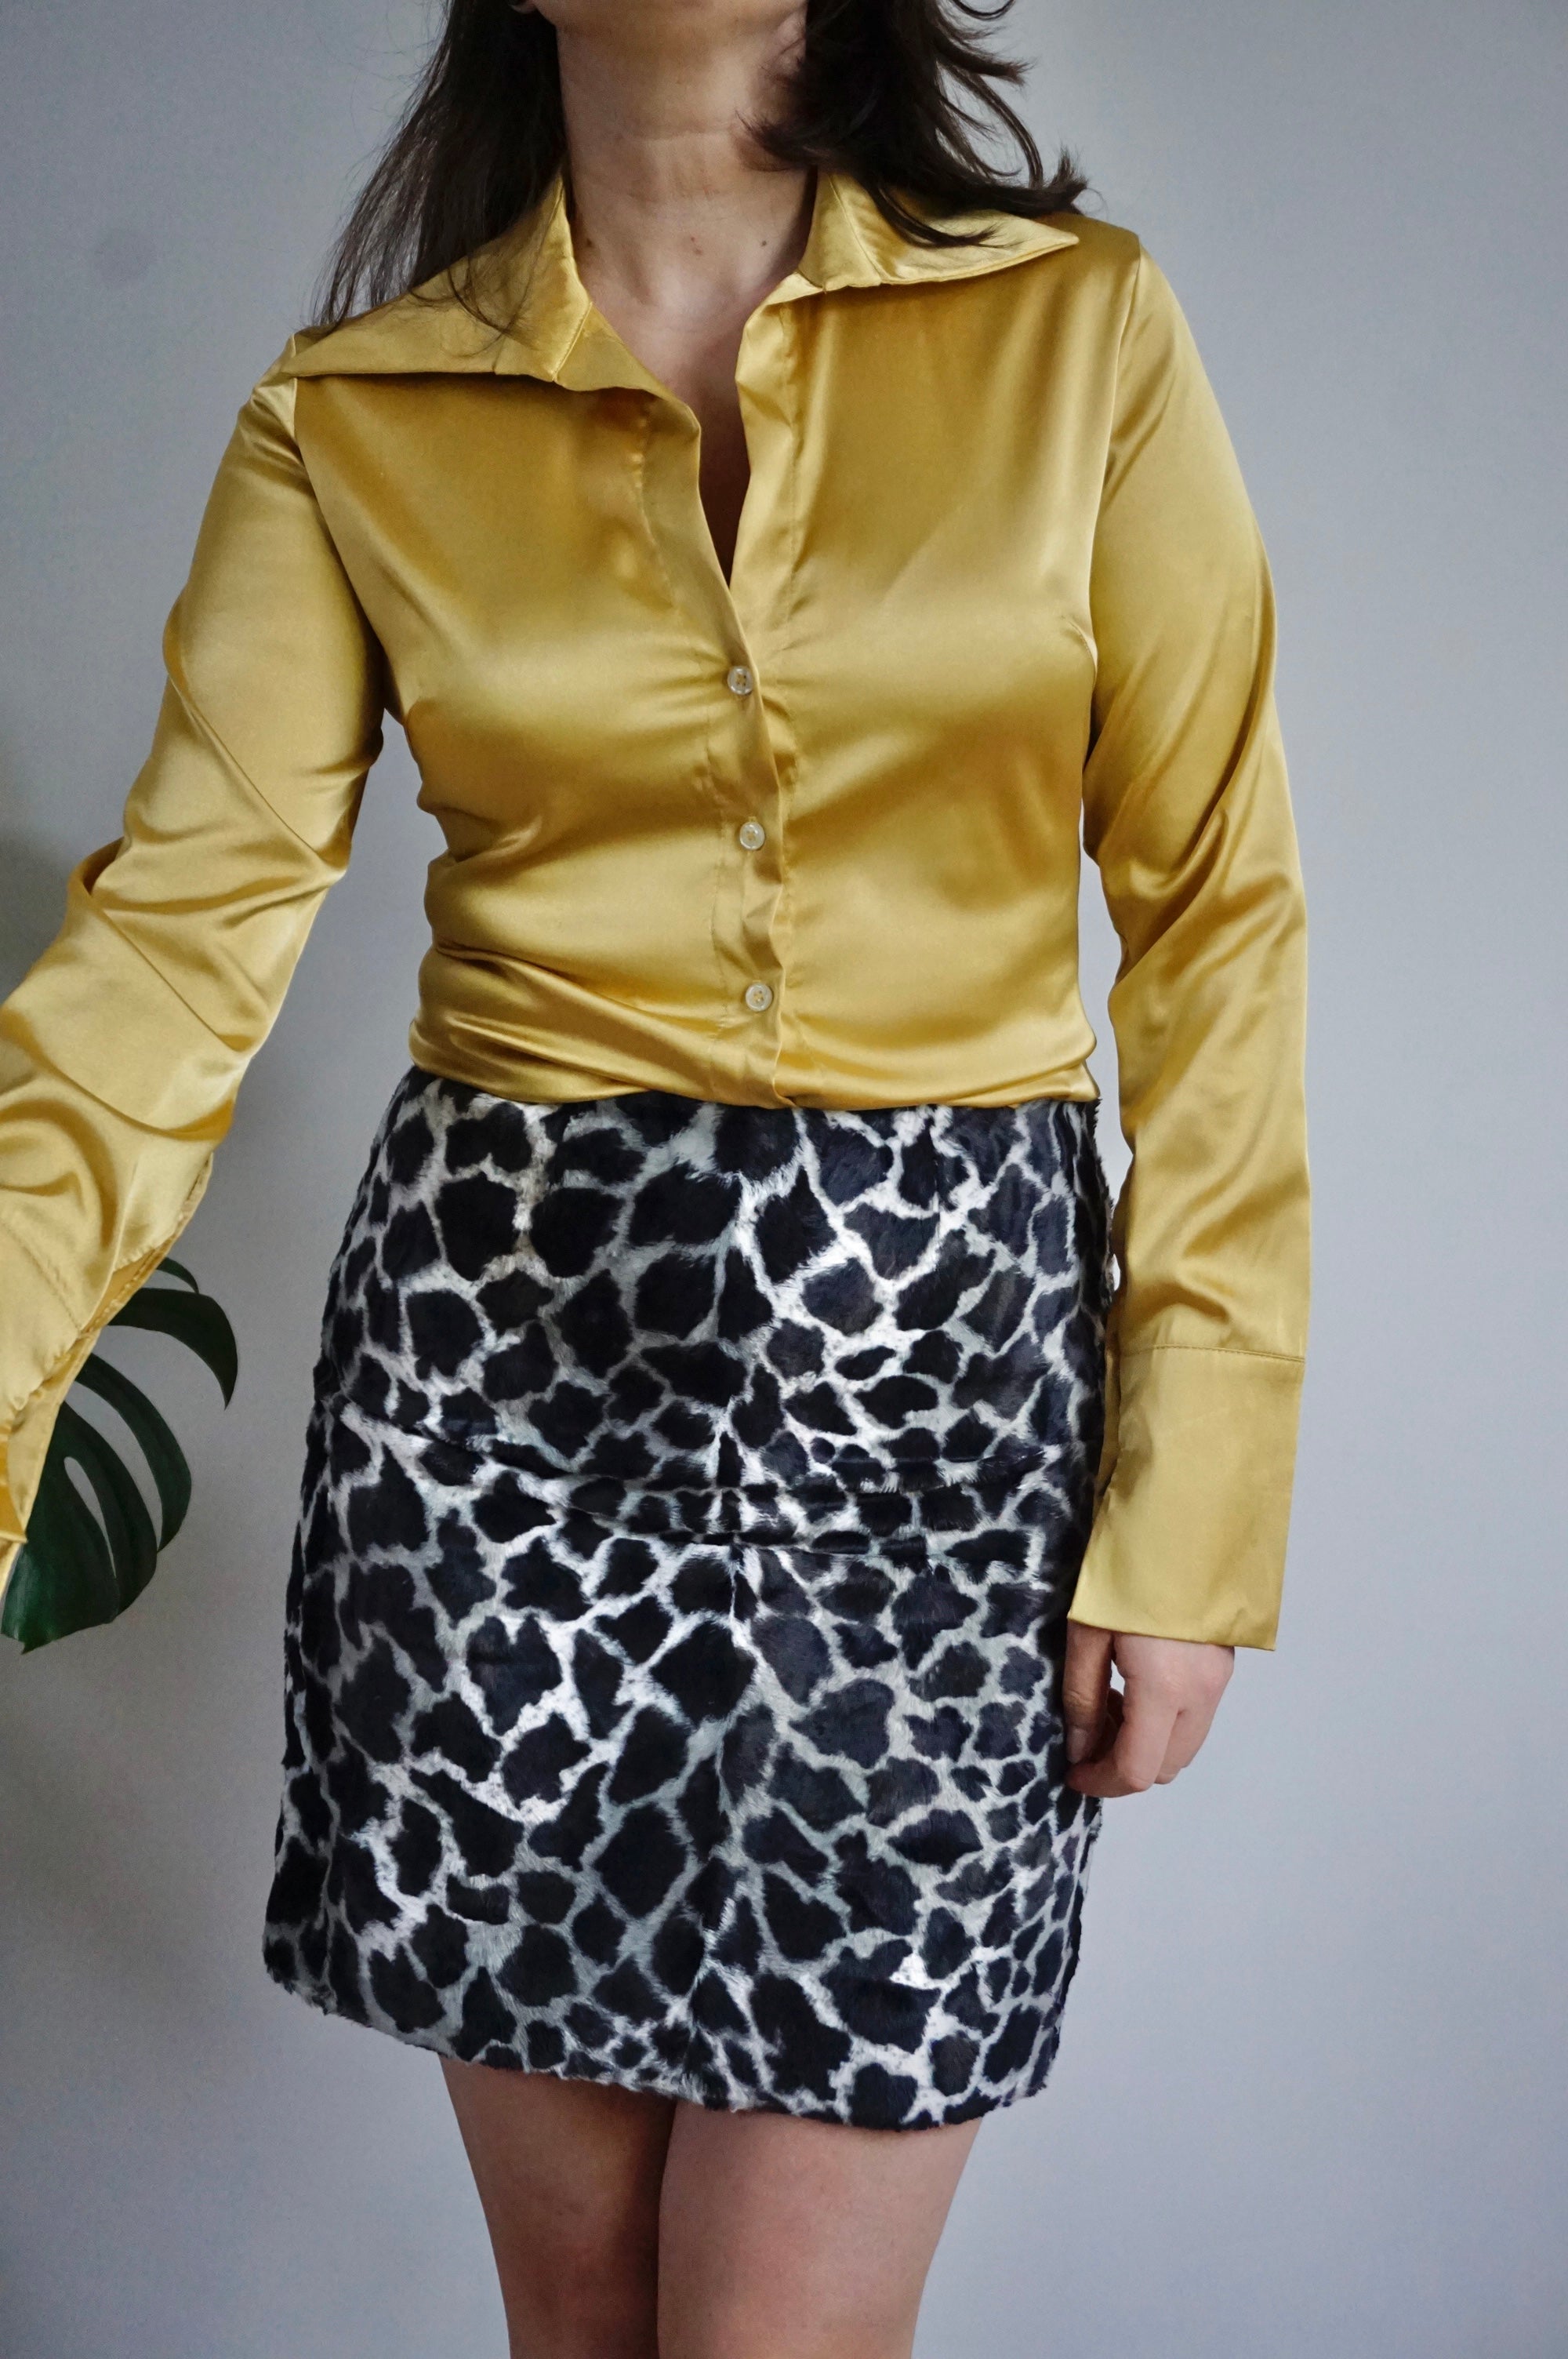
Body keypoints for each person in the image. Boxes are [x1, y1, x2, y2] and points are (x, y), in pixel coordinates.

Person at [0, 1, 1309, 2352]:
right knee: (586, 2315)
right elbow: (176, 949)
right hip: (498, 1401)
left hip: (938, 1410)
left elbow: (1216, 911)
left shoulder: (1077, 331)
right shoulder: (355, 411)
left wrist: (1196, 1488)